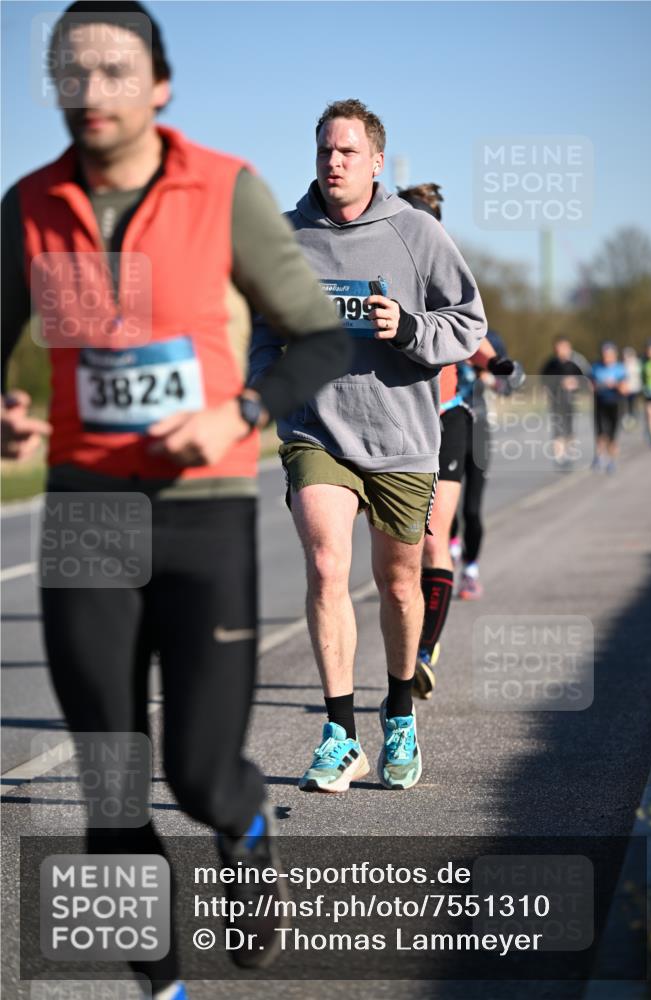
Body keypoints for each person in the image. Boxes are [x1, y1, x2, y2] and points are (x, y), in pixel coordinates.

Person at [1, 3, 350, 996]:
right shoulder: (28, 205)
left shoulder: (225, 191)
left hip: (203, 509)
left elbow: (320, 338)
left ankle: (244, 827)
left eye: (115, 69)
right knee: (112, 795)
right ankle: (164, 987)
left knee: (198, 774)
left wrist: (241, 408)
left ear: (158, 86)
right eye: (72, 71)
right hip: (87, 513)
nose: (91, 89)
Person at [250, 100, 486, 792]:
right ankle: (338, 734)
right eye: (325, 150)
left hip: (401, 435)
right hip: (316, 430)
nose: (334, 162)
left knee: (399, 583)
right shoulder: (285, 236)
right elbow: (261, 326)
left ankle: (400, 714)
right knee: (327, 566)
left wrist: (409, 328)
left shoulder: (416, 233)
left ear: (376, 161)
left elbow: (468, 324)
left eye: (348, 151)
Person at [397, 185, 523, 698]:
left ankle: (424, 654)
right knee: (400, 552)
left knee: (434, 539)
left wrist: (497, 362)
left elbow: (471, 333)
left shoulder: (445, 270)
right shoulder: (381, 265)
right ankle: (407, 636)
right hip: (395, 420)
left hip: (448, 416)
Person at [540, 336, 590, 468]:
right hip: (556, 401)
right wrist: (556, 385)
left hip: (570, 400)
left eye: (564, 347)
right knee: (557, 428)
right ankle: (559, 457)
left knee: (569, 428)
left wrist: (575, 383)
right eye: (558, 348)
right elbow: (544, 381)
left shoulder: (577, 362)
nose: (561, 351)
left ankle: (569, 453)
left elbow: (586, 380)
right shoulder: (551, 364)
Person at [590, 341, 628, 473]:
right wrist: (598, 385)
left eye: (609, 355)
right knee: (600, 432)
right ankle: (599, 457)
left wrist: (615, 384)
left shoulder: (620, 369)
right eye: (604, 354)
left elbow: (625, 389)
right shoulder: (596, 367)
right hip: (600, 403)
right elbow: (590, 385)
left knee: (612, 435)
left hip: (615, 403)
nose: (606, 357)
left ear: (614, 355)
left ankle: (612, 461)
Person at [621, 346, 642, 430]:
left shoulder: (637, 364)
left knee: (633, 405)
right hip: (626, 390)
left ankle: (633, 419)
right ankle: (627, 420)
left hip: (634, 389)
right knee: (626, 406)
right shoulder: (623, 365)